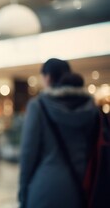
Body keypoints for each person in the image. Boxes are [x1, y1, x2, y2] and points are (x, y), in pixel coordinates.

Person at [18, 58, 99, 208]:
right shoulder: (92, 108)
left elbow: (28, 154)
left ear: (47, 78)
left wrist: (23, 192)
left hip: (45, 189)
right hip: (84, 186)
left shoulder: (39, 106)